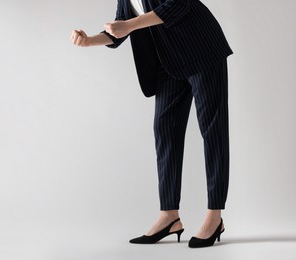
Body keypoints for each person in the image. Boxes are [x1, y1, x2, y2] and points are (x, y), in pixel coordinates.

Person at [71, 0, 233, 248]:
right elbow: (119, 31)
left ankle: (215, 215)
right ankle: (169, 216)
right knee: (164, 129)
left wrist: (130, 24)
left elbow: (178, 5)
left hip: (201, 47)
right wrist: (89, 40)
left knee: (212, 130)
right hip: (169, 61)